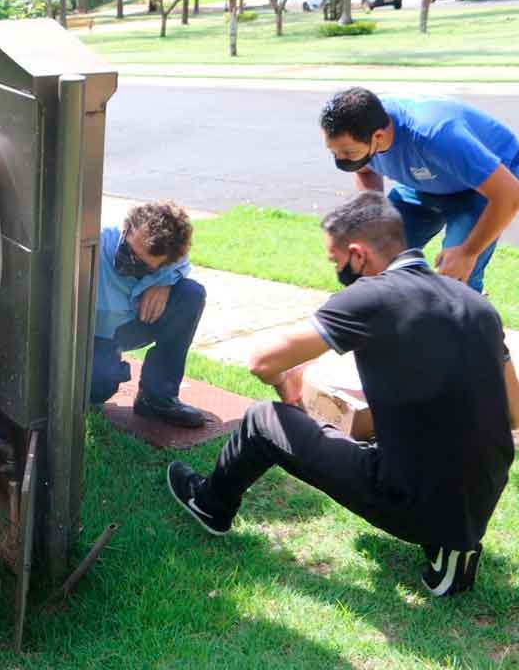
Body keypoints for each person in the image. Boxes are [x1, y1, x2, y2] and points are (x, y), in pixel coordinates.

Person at [167, 193, 517, 596]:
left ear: (357, 255)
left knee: (266, 419)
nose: (337, 271)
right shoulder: (477, 305)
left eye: (336, 263)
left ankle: (210, 505)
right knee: (422, 446)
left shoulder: (370, 297)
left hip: (406, 496)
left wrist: (288, 382)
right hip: (481, 494)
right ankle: (451, 545)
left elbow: (262, 362)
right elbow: (514, 413)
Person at [321, 86, 519, 293]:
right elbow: (366, 172)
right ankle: (388, 318)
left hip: (483, 186)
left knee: (456, 276)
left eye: (348, 152)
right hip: (423, 181)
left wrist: (468, 252)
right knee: (373, 253)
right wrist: (373, 219)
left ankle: (471, 318)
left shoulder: (436, 135)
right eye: (333, 151)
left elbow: (509, 195)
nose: (340, 159)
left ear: (378, 137)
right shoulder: (358, 126)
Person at [91, 201, 207, 427]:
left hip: (132, 324)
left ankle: (156, 398)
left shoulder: (170, 260)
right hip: (92, 333)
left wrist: (165, 282)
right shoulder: (94, 241)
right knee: (98, 386)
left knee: (190, 295)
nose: (129, 264)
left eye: (143, 266)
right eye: (129, 252)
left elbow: (180, 265)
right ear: (125, 228)